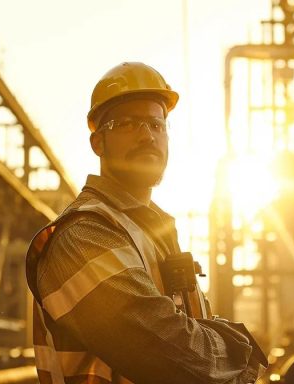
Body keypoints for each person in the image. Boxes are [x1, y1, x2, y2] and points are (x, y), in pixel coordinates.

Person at [25, 62, 267, 383]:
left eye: (157, 124)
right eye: (127, 124)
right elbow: (171, 353)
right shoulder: (83, 235)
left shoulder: (153, 233)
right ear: (98, 143)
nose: (147, 135)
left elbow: (190, 341)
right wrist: (238, 349)